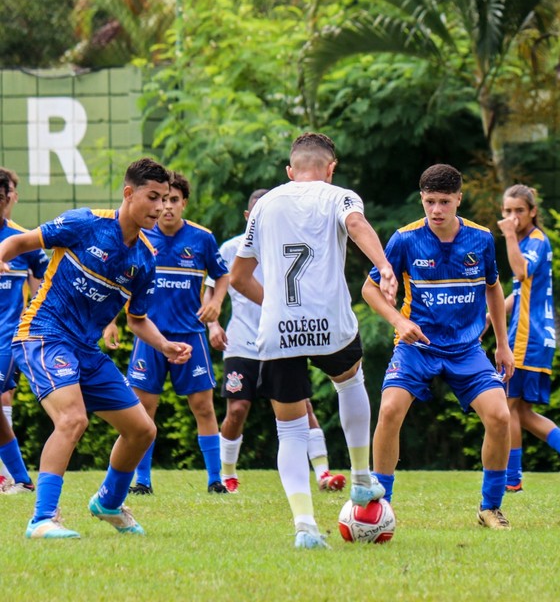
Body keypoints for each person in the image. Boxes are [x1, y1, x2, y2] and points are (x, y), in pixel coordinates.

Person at [0, 157, 191, 539]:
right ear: (129, 193)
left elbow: (137, 319)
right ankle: (42, 519)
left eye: (165, 198)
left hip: (84, 349)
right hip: (43, 333)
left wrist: (165, 344)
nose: (159, 207)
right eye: (152, 197)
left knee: (142, 430)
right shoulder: (85, 223)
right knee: (73, 419)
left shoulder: (144, 260)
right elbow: (19, 242)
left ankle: (108, 503)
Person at [231, 132, 397, 549]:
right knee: (350, 381)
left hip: (278, 328)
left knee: (289, 429)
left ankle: (304, 526)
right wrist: (384, 266)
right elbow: (356, 225)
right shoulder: (340, 196)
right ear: (331, 168)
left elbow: (238, 277)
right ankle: (361, 479)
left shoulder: (264, 205)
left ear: (290, 171)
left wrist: (274, 304)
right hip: (329, 322)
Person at [363, 164, 516, 530]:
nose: (436, 210)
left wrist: (502, 344)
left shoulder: (481, 239)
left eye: (444, 202)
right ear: (422, 199)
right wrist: (399, 322)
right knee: (389, 410)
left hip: (466, 349)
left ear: (459, 199)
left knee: (500, 417)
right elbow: (369, 289)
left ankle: (490, 508)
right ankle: (381, 505)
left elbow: (493, 288)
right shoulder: (404, 239)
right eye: (430, 201)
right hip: (417, 347)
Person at [205, 188, 345, 493]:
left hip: (282, 339)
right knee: (237, 409)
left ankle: (323, 473)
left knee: (303, 406)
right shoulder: (230, 249)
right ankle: (227, 474)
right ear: (248, 216)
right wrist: (213, 324)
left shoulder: (287, 245)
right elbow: (212, 288)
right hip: (242, 342)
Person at [104, 173, 229, 495]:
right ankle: (142, 481)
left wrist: (215, 303)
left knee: (203, 407)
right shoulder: (141, 237)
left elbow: (222, 275)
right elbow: (119, 280)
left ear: (184, 203)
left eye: (174, 200)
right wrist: (110, 320)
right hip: (150, 337)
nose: (168, 206)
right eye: (163, 199)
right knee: (143, 409)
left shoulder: (202, 238)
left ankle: (216, 480)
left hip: (190, 335)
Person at [496, 184, 560, 494]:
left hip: (528, 336)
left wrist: (508, 236)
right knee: (521, 411)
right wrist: (490, 317)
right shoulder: (528, 241)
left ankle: (512, 478)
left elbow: (520, 272)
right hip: (533, 335)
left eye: (519, 211)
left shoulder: (535, 241)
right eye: (507, 211)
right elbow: (519, 292)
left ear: (533, 212)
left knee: (507, 406)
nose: (513, 217)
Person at [0, 169, 48, 494]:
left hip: (7, 338)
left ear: (8, 199)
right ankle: (20, 478)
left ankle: (14, 477)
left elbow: (47, 278)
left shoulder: (21, 240)